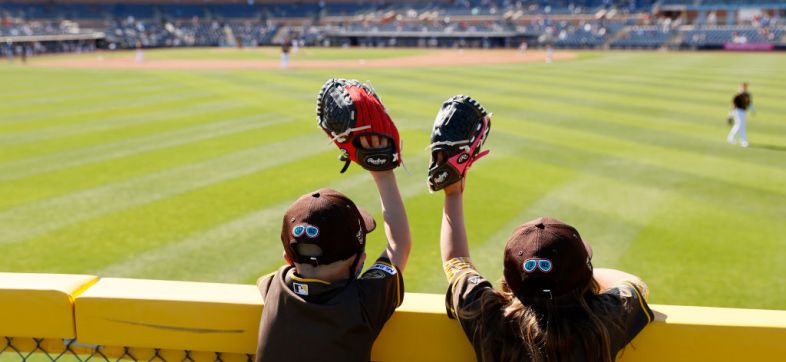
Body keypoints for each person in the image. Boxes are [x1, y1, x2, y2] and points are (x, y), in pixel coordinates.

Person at [256, 81, 411, 362]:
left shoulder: (275, 287)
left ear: (287, 258)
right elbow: (399, 244)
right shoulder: (361, 304)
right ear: (361, 261)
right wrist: (383, 172)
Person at [437, 172, 654, 360]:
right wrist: (580, 270)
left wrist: (453, 193)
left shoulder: (490, 317)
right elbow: (636, 284)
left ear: (511, 280)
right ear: (582, 276)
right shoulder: (603, 319)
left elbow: (457, 262)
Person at [727, 82, 752, 148]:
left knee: (738, 125)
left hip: (743, 112)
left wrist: (752, 110)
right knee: (741, 126)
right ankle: (743, 141)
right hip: (737, 111)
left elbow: (749, 103)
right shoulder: (738, 94)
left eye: (745, 87)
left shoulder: (747, 94)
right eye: (743, 87)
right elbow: (733, 105)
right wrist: (730, 114)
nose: (744, 88)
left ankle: (730, 137)